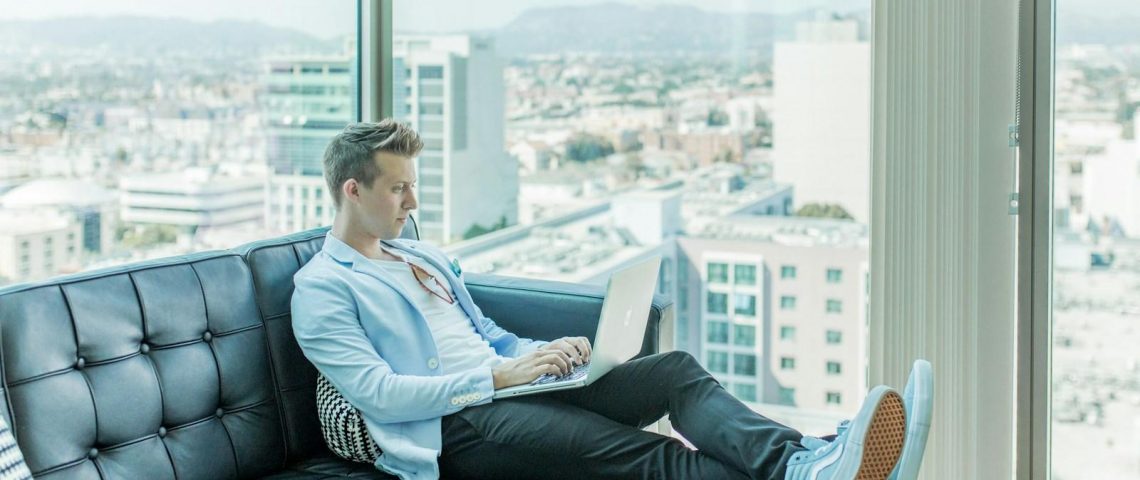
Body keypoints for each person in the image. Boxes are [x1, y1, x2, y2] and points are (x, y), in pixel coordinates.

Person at [291, 120, 931, 480]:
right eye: (399, 189)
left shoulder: (420, 255)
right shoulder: (322, 288)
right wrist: (495, 377)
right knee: (651, 458)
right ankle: (813, 473)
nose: (412, 202)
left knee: (675, 373)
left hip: (513, 387)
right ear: (353, 190)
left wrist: (548, 354)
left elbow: (488, 332)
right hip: (455, 429)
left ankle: (800, 466)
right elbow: (379, 393)